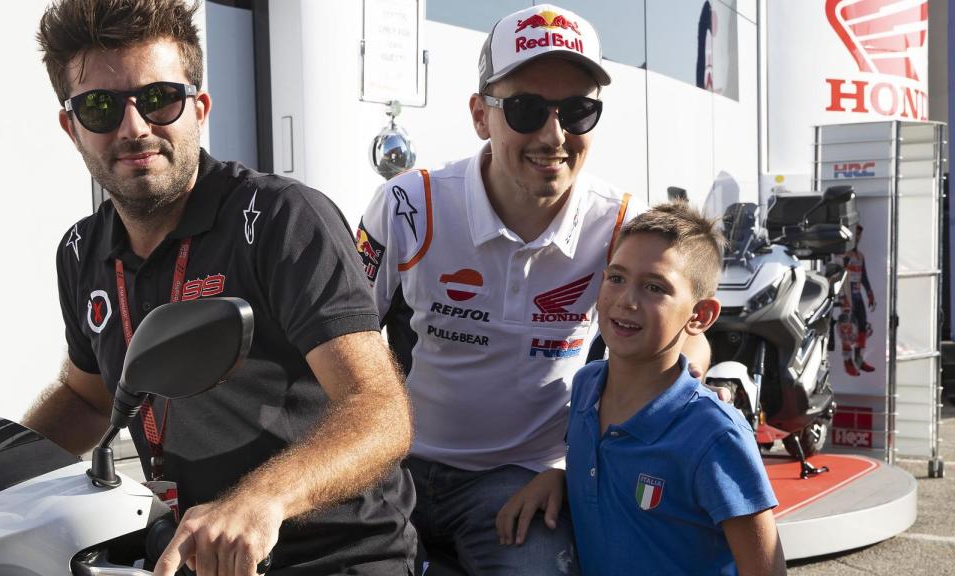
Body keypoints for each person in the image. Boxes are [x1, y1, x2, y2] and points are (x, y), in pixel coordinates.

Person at [22, 1, 416, 574]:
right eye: (101, 107)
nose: (135, 128)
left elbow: (379, 411)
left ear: (199, 108)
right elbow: (87, 398)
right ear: (71, 127)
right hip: (184, 555)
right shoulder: (81, 251)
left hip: (334, 554)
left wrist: (263, 500)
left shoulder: (280, 218)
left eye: (160, 99)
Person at [357, 5, 710, 574]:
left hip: (524, 479)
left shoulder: (619, 223)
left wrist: (574, 470)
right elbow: (337, 339)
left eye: (577, 110)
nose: (554, 135)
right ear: (480, 115)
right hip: (395, 466)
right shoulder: (409, 205)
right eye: (525, 109)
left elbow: (689, 343)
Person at [500, 202, 786, 576]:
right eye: (616, 278)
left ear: (700, 316)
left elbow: (766, 571)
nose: (626, 300)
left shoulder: (716, 435)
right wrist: (558, 478)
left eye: (655, 287)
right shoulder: (586, 387)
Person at [837, 224, 876, 377]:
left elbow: (864, 277)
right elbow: (839, 278)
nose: (857, 238)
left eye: (860, 235)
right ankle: (848, 363)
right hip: (848, 298)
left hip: (858, 296)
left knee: (861, 329)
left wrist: (870, 293)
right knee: (847, 330)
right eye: (855, 235)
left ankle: (858, 359)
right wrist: (842, 298)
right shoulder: (843, 256)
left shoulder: (860, 256)